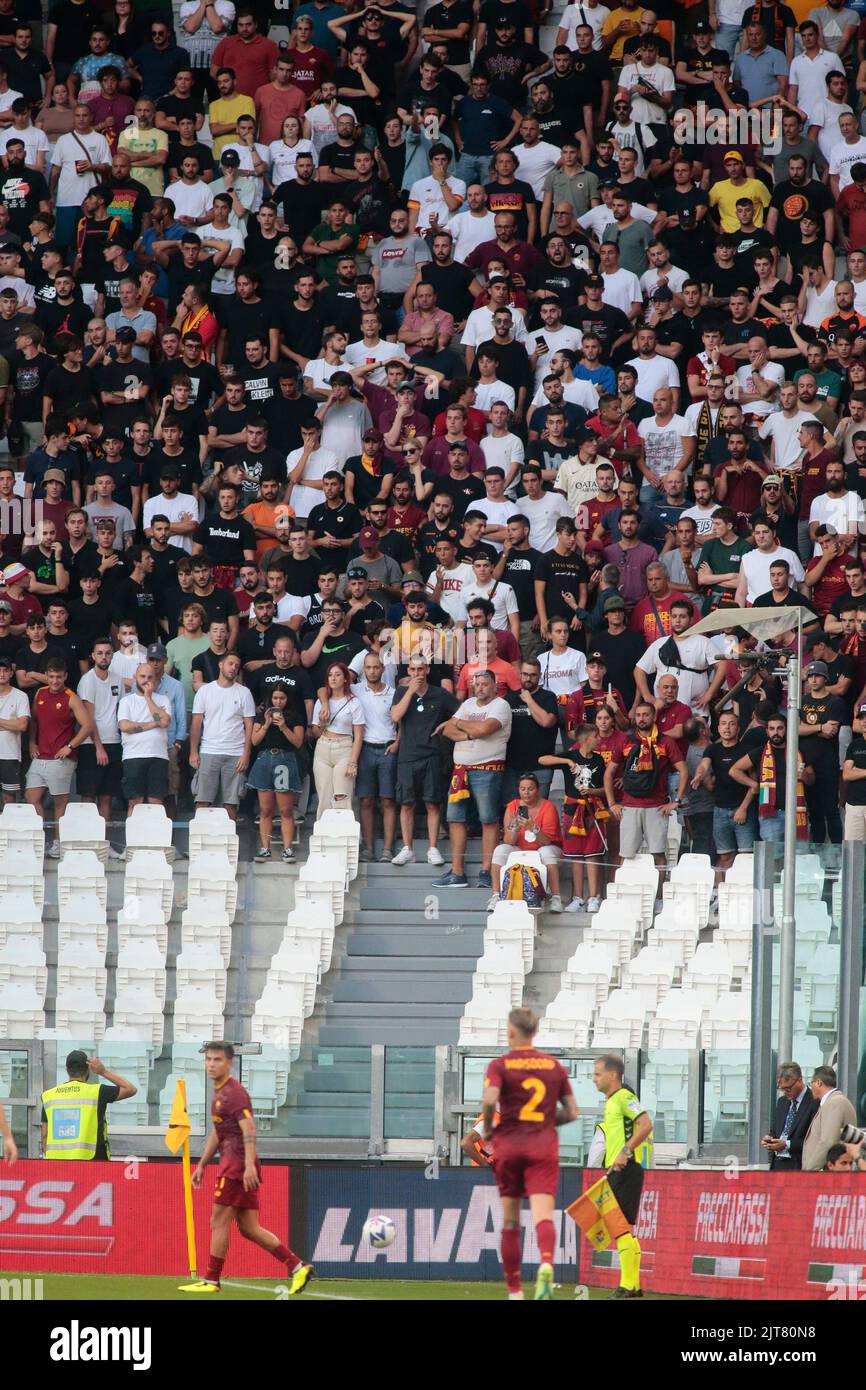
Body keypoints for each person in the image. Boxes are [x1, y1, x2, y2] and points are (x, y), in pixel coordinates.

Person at [183, 1040, 313, 1296]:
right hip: (238, 1164)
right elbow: (218, 1133)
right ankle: (298, 1267)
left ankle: (211, 1279)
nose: (211, 1064)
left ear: (229, 1063)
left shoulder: (233, 1093)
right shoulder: (220, 1093)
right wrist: (202, 1164)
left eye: (217, 1059)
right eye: (208, 1059)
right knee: (249, 1228)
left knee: (218, 1221)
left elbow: (249, 1128)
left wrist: (249, 1166)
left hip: (236, 1166)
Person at [480, 1007, 578, 1301]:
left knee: (511, 1221)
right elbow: (572, 1111)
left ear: (511, 1032)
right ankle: (546, 1262)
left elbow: (489, 1100)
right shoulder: (554, 1066)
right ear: (534, 1032)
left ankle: (515, 1292)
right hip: (542, 1146)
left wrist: (487, 1129)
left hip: (509, 1146)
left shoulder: (499, 1065)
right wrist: (547, 1121)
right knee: (542, 1216)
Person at [433, 667, 511, 890]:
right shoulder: (467, 704)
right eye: (476, 684)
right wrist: (469, 731)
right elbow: (447, 730)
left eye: (485, 684)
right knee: (455, 818)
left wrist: (462, 726)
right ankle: (457, 872)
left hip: (487, 769)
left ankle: (486, 870)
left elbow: (486, 729)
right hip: (461, 770)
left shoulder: (501, 706)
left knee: (488, 819)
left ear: (495, 686)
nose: (480, 688)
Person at [593, 1053, 653, 1299]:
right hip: (618, 1170)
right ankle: (634, 1285)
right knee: (623, 1227)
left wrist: (625, 1152)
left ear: (613, 1074)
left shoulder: (624, 1097)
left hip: (626, 1169)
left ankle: (627, 1286)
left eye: (598, 1074)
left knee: (619, 1227)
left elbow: (646, 1124)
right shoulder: (612, 1101)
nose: (594, 1079)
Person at [24, 656, 92, 856]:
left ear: (65, 676)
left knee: (59, 803)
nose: (55, 681)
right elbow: (34, 720)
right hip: (40, 756)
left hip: (60, 759)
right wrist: (31, 741)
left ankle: (58, 843)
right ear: (46, 676)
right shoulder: (40, 693)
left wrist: (70, 746)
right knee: (31, 797)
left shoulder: (71, 697)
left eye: (59, 677)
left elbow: (87, 725)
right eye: (51, 677)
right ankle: (39, 841)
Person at [189, 651, 255, 819]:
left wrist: (246, 753)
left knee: (231, 803)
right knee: (202, 801)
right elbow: (196, 723)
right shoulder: (205, 691)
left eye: (236, 666)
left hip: (235, 753)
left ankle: (229, 842)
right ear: (220, 664)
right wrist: (193, 752)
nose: (233, 668)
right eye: (230, 664)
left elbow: (249, 725)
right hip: (208, 750)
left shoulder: (244, 693)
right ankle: (201, 839)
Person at [41, 1048, 138, 1161]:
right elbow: (130, 1089)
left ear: (67, 1069)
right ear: (88, 1069)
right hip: (93, 1161)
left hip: (57, 1162)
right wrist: (103, 1071)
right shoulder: (97, 1092)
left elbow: (44, 1133)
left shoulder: (49, 1095)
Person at [490, 772, 563, 912]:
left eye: (530, 789)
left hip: (547, 847)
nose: (526, 793)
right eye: (522, 789)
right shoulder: (513, 806)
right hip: (520, 848)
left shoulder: (548, 806)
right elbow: (508, 841)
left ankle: (556, 898)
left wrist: (532, 828)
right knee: (500, 850)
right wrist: (515, 827)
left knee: (546, 852)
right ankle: (496, 895)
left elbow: (547, 841)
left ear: (538, 790)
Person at [249, 682, 305, 864]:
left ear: (287, 699)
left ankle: (287, 849)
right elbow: (254, 741)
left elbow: (297, 742)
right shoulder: (261, 716)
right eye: (275, 698)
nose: (278, 702)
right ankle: (265, 849)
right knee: (265, 809)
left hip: (284, 760)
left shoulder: (294, 717)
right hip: (264, 759)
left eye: (282, 698)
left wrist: (283, 726)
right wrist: (266, 724)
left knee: (285, 809)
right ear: (269, 698)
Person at [355, 649, 399, 863]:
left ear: (383, 668)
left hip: (387, 748)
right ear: (363, 669)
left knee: (388, 800)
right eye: (368, 667)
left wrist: (398, 742)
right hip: (364, 749)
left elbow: (402, 723)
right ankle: (368, 848)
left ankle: (388, 849)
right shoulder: (355, 690)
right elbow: (326, 687)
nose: (372, 671)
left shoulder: (393, 693)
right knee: (365, 800)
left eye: (376, 667)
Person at [310, 658, 364, 816]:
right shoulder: (322, 702)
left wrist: (353, 762)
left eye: (338, 675)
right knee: (324, 797)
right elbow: (314, 733)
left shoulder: (354, 703)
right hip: (323, 746)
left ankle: (344, 837)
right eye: (330, 675)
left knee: (342, 795)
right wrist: (321, 722)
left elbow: (359, 735)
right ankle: (323, 837)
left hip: (344, 746)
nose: (333, 678)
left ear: (345, 678)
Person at [116, 659, 172, 808]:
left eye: (150, 677)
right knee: (135, 801)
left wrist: (148, 697)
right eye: (142, 676)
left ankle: (156, 832)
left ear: (155, 679)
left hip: (158, 756)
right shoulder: (126, 701)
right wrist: (154, 723)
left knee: (156, 802)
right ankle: (133, 832)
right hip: (133, 756)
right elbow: (125, 726)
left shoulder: (162, 699)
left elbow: (165, 722)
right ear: (135, 677)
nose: (146, 680)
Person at [761, 1062, 819, 1170]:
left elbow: (814, 1141)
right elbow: (776, 1130)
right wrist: (770, 1139)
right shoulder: (782, 1102)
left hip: (798, 1165)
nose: (785, 1092)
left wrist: (787, 1144)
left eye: (788, 1088)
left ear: (799, 1081)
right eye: (782, 1088)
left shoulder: (814, 1102)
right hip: (777, 1164)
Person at [802, 1064, 858, 1171]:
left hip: (828, 1176)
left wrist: (809, 1171)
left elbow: (828, 1141)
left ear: (819, 1082)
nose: (811, 1087)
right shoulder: (833, 1102)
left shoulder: (835, 1103)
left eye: (811, 1083)